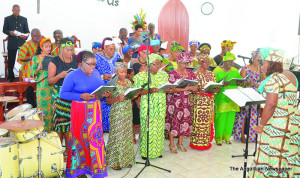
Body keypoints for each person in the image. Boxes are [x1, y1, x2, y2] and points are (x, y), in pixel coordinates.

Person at [248, 48, 300, 177]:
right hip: (292, 123)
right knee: (288, 153)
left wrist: (261, 124)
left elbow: (271, 104)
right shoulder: (291, 76)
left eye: (264, 63)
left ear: (271, 64)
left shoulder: (273, 79)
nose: (262, 66)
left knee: (273, 153)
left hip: (277, 124)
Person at [60, 51, 109, 178]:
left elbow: (100, 88)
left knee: (95, 140)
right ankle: (79, 171)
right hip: (79, 112)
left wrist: (105, 93)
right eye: (90, 64)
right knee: (80, 140)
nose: (93, 67)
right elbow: (63, 94)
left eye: (94, 64)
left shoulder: (96, 73)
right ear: (81, 63)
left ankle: (96, 169)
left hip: (95, 112)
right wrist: (80, 96)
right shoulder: (72, 76)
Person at [133, 53, 170, 159]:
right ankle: (146, 152)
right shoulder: (142, 76)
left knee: (159, 128)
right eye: (155, 64)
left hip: (160, 105)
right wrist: (150, 90)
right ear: (149, 64)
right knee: (147, 128)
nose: (158, 66)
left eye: (159, 64)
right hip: (148, 105)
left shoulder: (163, 75)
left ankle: (157, 151)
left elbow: (166, 88)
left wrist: (169, 89)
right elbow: (138, 92)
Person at [48, 37, 78, 160]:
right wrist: (60, 75)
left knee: (72, 124)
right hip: (60, 95)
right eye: (67, 50)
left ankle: (69, 151)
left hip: (73, 94)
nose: (70, 52)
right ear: (61, 49)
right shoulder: (54, 61)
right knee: (61, 123)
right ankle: (59, 152)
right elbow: (50, 81)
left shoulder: (76, 59)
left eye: (72, 49)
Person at [106, 61, 138, 170]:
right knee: (117, 135)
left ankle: (127, 159)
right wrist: (117, 99)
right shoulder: (112, 83)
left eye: (125, 71)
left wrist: (135, 94)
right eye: (121, 72)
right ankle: (115, 161)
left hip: (128, 111)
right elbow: (108, 101)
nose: (124, 74)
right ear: (115, 71)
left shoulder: (129, 82)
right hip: (117, 112)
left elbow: (129, 97)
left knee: (127, 135)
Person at [165, 51, 197, 154]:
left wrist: (192, 88)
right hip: (174, 102)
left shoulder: (191, 73)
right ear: (178, 61)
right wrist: (183, 89)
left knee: (184, 122)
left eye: (186, 63)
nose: (184, 65)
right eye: (182, 63)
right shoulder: (172, 73)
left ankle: (180, 143)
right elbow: (169, 89)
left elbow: (196, 87)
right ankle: (172, 144)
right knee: (173, 122)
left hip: (185, 102)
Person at [233, 50, 264, 143]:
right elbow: (240, 82)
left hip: (256, 94)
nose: (259, 61)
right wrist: (248, 82)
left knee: (254, 115)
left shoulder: (261, 70)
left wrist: (259, 84)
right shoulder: (245, 68)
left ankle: (252, 136)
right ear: (252, 59)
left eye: (260, 59)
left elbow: (263, 81)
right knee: (243, 115)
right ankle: (241, 135)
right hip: (245, 93)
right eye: (257, 59)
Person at [213, 52, 243, 146]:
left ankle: (227, 137)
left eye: (232, 62)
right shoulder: (217, 71)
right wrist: (221, 84)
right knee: (220, 118)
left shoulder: (235, 70)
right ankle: (218, 138)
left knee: (230, 119)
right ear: (224, 61)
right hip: (221, 97)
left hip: (233, 97)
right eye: (229, 62)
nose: (231, 64)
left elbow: (240, 80)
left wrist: (240, 83)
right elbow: (213, 84)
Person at [190, 54, 219, 150]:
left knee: (207, 123)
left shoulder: (212, 74)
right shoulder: (194, 74)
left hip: (208, 102)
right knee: (197, 123)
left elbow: (214, 87)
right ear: (199, 62)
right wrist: (198, 89)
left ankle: (205, 142)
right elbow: (191, 88)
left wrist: (216, 89)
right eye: (205, 62)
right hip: (197, 101)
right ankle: (196, 142)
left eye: (208, 62)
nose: (207, 64)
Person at [95, 37, 121, 132]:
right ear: (105, 48)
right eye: (110, 49)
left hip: (115, 88)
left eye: (114, 49)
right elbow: (91, 73)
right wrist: (103, 77)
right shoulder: (96, 57)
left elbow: (122, 69)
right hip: (102, 89)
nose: (112, 51)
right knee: (102, 112)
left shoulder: (117, 56)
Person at [30, 38, 53, 132]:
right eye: (46, 46)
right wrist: (38, 69)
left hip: (52, 87)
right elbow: (32, 74)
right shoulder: (36, 58)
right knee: (42, 109)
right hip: (42, 87)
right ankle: (42, 131)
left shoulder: (53, 58)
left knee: (51, 109)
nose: (49, 48)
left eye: (50, 46)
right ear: (41, 47)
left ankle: (51, 131)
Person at [132, 44, 153, 143]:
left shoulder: (150, 63)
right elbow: (129, 76)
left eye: (149, 53)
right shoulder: (133, 62)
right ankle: (132, 135)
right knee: (135, 112)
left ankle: (142, 134)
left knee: (144, 113)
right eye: (145, 53)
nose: (147, 55)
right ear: (140, 52)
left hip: (147, 90)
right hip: (136, 91)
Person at [3, 4, 29, 82]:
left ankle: (24, 75)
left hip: (22, 44)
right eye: (15, 10)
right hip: (12, 43)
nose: (17, 12)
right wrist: (9, 32)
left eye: (18, 10)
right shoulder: (7, 19)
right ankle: (10, 77)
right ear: (12, 10)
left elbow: (27, 31)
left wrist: (25, 36)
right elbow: (4, 30)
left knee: (23, 60)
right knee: (11, 61)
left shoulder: (24, 19)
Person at [17, 28, 41, 108]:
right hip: (29, 72)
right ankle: (31, 107)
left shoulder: (41, 45)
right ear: (31, 36)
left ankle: (39, 106)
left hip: (40, 71)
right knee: (30, 91)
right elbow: (20, 58)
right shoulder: (26, 45)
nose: (38, 37)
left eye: (39, 35)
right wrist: (32, 57)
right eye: (36, 36)